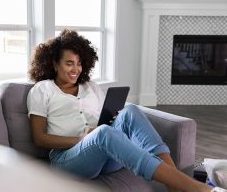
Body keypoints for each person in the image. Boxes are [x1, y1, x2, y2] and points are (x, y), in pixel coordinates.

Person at [26, 29, 225, 192]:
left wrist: (108, 123)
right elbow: (40, 138)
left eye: (79, 63)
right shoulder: (42, 90)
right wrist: (82, 139)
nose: (75, 69)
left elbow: (105, 120)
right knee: (103, 132)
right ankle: (199, 189)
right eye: (69, 63)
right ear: (54, 63)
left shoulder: (90, 87)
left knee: (130, 112)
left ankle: (173, 186)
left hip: (104, 153)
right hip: (68, 160)